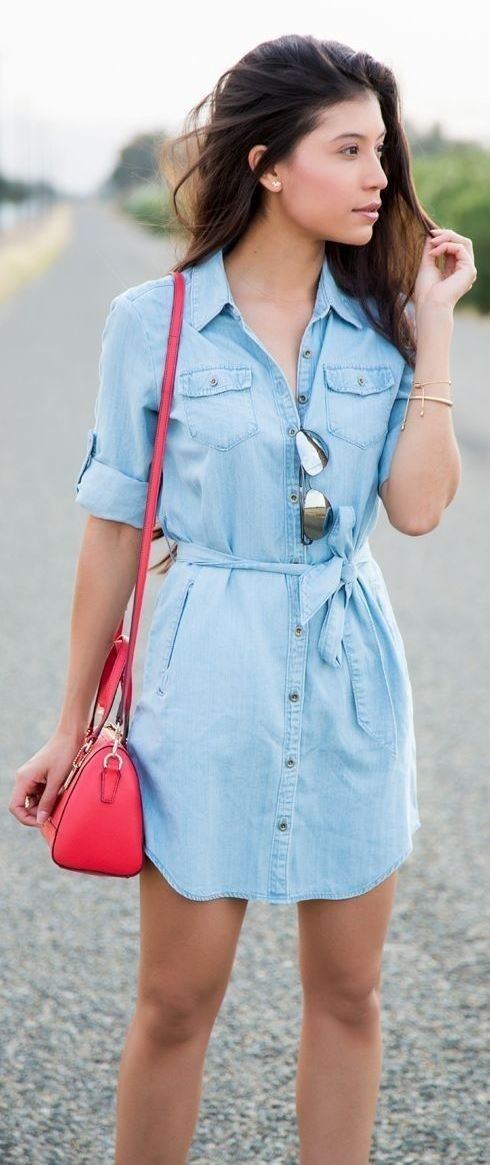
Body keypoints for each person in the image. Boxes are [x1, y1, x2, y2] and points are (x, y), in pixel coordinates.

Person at [9, 32, 476, 1165]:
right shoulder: (152, 324)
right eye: (350, 149)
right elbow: (113, 531)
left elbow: (415, 509)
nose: (380, 177)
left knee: (353, 994)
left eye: (385, 152)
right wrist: (70, 726)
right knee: (176, 1002)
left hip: (350, 676)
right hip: (200, 679)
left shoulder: (386, 320)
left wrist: (434, 332)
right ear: (268, 163)